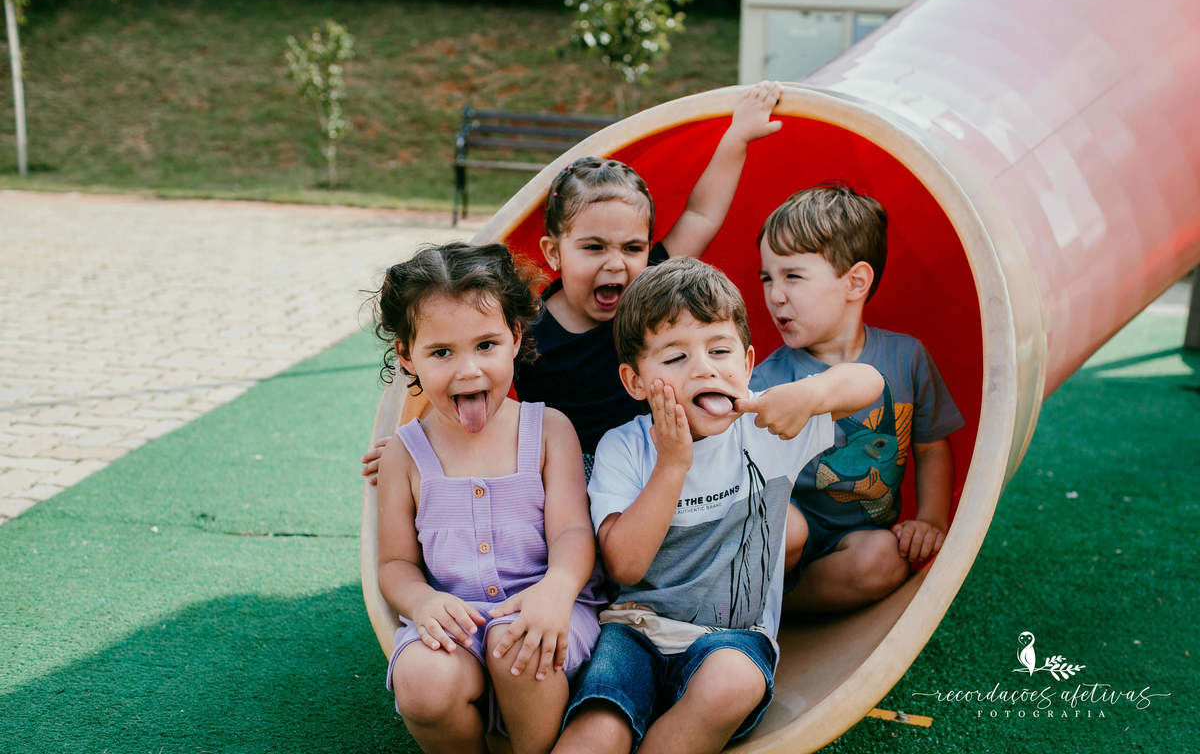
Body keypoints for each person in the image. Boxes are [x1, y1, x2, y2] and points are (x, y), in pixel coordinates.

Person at [363, 81, 784, 482]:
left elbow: (701, 215)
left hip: (650, 458)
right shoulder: (526, 327)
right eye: (594, 247)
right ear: (553, 253)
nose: (617, 264)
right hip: (565, 472)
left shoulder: (650, 289)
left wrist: (737, 138)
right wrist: (415, 447)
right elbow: (471, 382)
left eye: (633, 247)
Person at [553, 258, 883, 754]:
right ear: (635, 381)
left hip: (731, 637)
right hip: (634, 633)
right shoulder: (624, 448)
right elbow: (625, 563)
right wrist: (671, 465)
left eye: (719, 350)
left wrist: (810, 393)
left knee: (733, 683)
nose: (704, 367)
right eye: (674, 358)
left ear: (747, 364)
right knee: (598, 729)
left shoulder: (766, 428)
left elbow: (869, 382)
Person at [371, 242, 604, 754]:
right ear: (408, 355)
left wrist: (557, 591)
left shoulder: (548, 431)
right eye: (441, 352)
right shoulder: (404, 455)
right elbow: (392, 563)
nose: (468, 370)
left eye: (486, 345)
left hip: (547, 607)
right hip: (457, 618)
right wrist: (423, 600)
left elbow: (571, 531)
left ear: (515, 338)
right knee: (423, 684)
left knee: (516, 647)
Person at [753, 182, 965, 613]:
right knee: (784, 528)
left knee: (886, 560)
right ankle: (756, 599)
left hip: (852, 547)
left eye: (792, 276)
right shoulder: (767, 378)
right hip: (787, 540)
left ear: (856, 282)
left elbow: (929, 448)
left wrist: (932, 520)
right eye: (767, 278)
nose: (775, 295)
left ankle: (781, 608)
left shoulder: (906, 358)